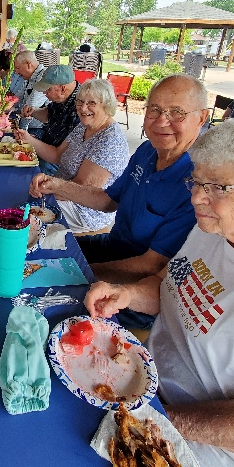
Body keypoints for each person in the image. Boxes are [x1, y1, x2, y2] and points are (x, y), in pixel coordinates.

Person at [85, 118, 234, 467]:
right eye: (196, 181)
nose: (196, 196)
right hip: (153, 391)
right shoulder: (215, 225)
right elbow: (168, 286)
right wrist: (129, 296)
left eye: (216, 188)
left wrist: (158, 421)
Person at [30, 75, 209, 322]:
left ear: (201, 118)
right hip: (112, 247)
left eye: (176, 113)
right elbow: (108, 201)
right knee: (40, 247)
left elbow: (150, 265)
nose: (161, 121)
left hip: (137, 286)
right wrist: (57, 185)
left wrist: (81, 272)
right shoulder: (148, 151)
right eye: (154, 110)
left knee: (47, 296)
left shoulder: (198, 182)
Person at [19, 79, 128, 232]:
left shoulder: (110, 139)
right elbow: (57, 155)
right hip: (60, 190)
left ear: (106, 105)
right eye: (80, 102)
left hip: (84, 209)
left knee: (23, 216)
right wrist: (27, 139)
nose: (83, 108)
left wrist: (46, 188)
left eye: (92, 103)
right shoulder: (83, 126)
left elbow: (83, 188)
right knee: (18, 193)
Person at [22, 64, 81, 174]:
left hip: (61, 162)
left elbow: (59, 156)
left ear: (63, 89)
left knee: (26, 173)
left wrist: (30, 140)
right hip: (49, 145)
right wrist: (33, 111)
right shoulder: (63, 96)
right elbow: (49, 114)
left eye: (47, 89)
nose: (44, 93)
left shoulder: (81, 109)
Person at [12, 50, 48, 138]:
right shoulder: (30, 78)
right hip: (27, 125)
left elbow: (29, 108)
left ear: (28, 64)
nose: (16, 72)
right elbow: (17, 99)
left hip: (39, 130)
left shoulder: (43, 77)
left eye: (17, 68)